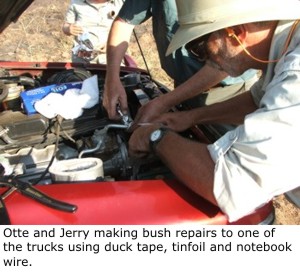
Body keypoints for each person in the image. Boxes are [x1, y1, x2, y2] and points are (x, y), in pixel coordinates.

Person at [128, 0, 300, 222]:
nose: (205, 59)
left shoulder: (295, 76)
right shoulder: (286, 43)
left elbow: (235, 187)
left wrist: (153, 137)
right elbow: (257, 100)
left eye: (199, 46)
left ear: (237, 33)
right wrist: (188, 118)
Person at [103, 0, 258, 122]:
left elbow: (228, 59)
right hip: (181, 89)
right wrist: (112, 79)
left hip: (228, 95)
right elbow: (124, 22)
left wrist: (164, 102)